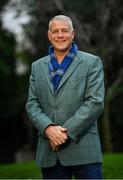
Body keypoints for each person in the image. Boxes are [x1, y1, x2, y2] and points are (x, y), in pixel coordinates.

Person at [26, 15, 105, 179]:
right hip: (49, 153)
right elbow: (32, 104)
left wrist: (63, 134)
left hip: (84, 149)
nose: (60, 35)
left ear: (73, 33)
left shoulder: (91, 62)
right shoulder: (37, 66)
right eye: (55, 31)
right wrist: (48, 129)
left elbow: (95, 102)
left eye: (64, 31)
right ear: (49, 35)